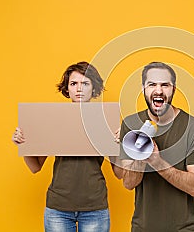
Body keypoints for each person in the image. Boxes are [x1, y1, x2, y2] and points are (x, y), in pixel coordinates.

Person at [12, 61, 122, 232]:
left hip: (95, 207)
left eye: (85, 83)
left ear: (93, 88)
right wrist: (25, 145)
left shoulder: (105, 121)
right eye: (74, 83)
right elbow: (35, 167)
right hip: (58, 208)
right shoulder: (55, 120)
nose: (79, 89)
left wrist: (121, 144)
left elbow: (120, 173)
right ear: (67, 88)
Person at [118, 62, 194, 232]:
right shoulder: (130, 125)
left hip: (185, 229)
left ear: (173, 89)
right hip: (143, 228)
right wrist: (141, 156)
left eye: (165, 85)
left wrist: (157, 161)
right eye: (152, 84)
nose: (158, 91)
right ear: (143, 88)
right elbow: (129, 183)